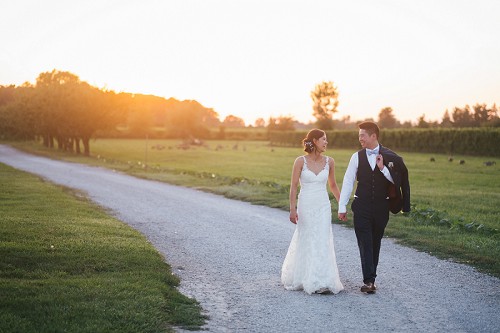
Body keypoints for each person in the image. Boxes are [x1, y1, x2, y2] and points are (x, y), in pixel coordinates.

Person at [338, 121, 410, 293]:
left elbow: (398, 182)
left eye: (363, 135)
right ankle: (368, 281)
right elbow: (348, 181)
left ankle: (372, 277)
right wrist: (342, 205)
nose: (360, 138)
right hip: (361, 205)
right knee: (365, 242)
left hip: (381, 207)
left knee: (375, 241)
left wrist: (383, 168)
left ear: (373, 136)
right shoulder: (356, 157)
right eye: (359, 135)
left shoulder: (390, 157)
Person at [281, 129, 344, 295]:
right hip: (305, 204)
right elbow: (294, 186)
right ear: (315, 141)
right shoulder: (300, 161)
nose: (326, 142)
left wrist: (342, 204)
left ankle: (322, 280)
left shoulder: (330, 162)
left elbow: (333, 185)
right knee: (308, 238)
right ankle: (305, 277)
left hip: (323, 205)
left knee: (322, 238)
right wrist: (292, 208)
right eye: (324, 139)